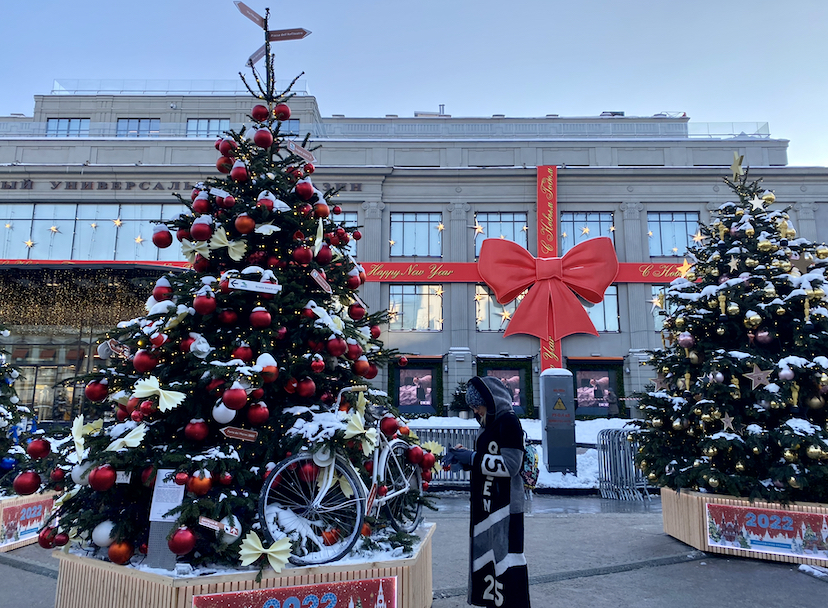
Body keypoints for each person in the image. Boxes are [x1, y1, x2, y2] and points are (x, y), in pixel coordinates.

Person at [444, 376, 531, 608]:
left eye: (477, 405)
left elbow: (512, 466)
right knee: (490, 562)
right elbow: (489, 460)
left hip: (505, 507)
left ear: (490, 401)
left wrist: (473, 458)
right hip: (487, 506)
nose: (475, 410)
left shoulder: (509, 422)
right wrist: (465, 461)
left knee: (507, 562)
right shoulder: (489, 425)